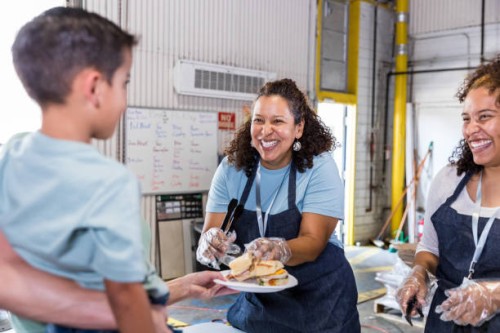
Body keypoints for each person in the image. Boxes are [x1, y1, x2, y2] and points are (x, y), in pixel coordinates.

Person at [0, 7, 232, 333]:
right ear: (94, 87)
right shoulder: (108, 182)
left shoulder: (12, 155)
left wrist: (181, 286)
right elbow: (125, 303)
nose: (124, 100)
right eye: (123, 82)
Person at [196, 78, 361, 333]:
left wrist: (279, 248)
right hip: (261, 299)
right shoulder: (232, 169)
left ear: (299, 127)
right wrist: (210, 242)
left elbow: (314, 242)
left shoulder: (319, 168)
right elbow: (212, 229)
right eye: (259, 120)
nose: (266, 130)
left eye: (278, 121)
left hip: (321, 302)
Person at [396, 55, 500, 332]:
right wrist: (419, 273)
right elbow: (429, 248)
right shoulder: (448, 180)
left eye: (485, 117)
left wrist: (494, 293)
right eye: (467, 119)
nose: (471, 129)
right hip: (446, 322)